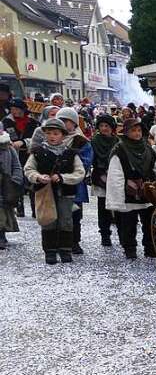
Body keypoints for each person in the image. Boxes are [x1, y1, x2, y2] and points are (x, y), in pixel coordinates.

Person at [24, 118, 85, 264]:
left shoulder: (71, 154)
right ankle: (50, 252)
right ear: (44, 134)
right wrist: (38, 177)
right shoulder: (38, 152)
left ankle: (65, 250)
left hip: (66, 192)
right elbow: (28, 169)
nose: (52, 136)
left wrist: (63, 178)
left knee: (66, 221)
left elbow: (80, 172)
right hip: (46, 193)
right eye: (49, 133)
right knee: (48, 220)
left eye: (56, 133)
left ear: (63, 135)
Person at [106, 117, 156, 260]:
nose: (137, 133)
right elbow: (116, 175)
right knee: (128, 223)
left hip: (147, 190)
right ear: (126, 132)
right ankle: (130, 248)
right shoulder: (119, 150)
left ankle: (150, 248)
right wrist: (117, 200)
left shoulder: (148, 149)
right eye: (133, 130)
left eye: (139, 130)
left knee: (149, 222)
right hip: (129, 192)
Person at [56, 106, 93, 255]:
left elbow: (85, 162)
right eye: (61, 120)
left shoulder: (81, 141)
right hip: (55, 184)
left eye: (67, 120)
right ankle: (59, 242)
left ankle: (74, 242)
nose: (64, 123)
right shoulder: (53, 138)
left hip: (74, 184)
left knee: (75, 215)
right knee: (57, 214)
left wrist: (66, 169)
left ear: (74, 123)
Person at [2, 99, 39, 216]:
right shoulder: (6, 122)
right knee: (17, 181)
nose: (15, 111)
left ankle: (35, 209)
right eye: (12, 109)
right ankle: (19, 206)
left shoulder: (32, 122)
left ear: (23, 110)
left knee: (32, 181)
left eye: (17, 109)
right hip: (13, 155)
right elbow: (3, 136)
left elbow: (36, 138)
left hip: (29, 154)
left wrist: (23, 142)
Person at [89, 114, 119, 247]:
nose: (104, 128)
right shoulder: (94, 141)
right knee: (103, 207)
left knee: (118, 206)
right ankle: (105, 235)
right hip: (100, 176)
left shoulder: (117, 141)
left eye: (107, 125)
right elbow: (92, 158)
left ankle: (122, 233)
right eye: (101, 126)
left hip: (116, 176)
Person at [0, 131, 23, 249]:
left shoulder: (9, 148)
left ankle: (1, 234)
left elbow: (16, 165)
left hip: (6, 183)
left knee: (3, 208)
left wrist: (15, 180)